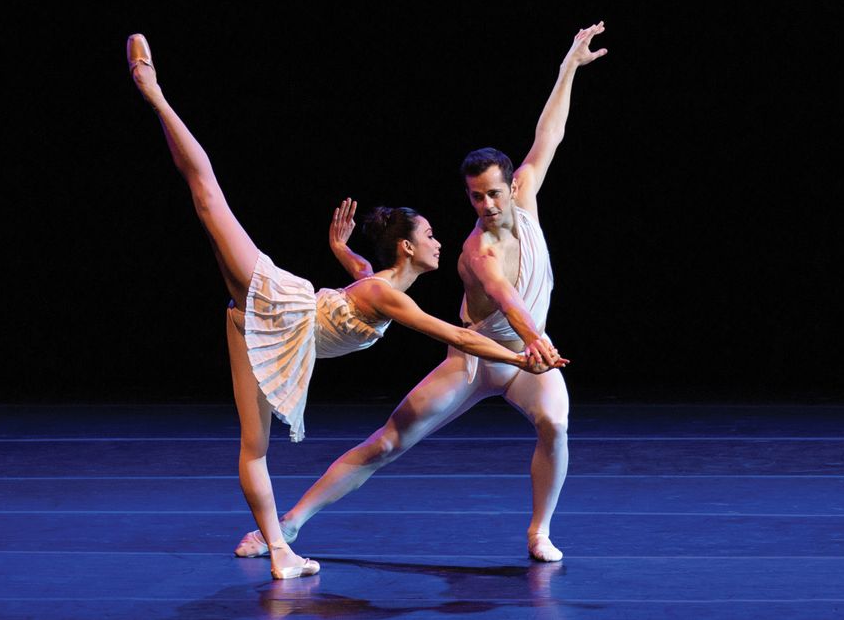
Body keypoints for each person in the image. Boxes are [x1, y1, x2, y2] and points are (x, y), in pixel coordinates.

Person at [126, 34, 563, 579]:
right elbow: (461, 332)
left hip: (251, 328)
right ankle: (154, 92)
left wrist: (341, 250)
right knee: (207, 192)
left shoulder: (380, 284)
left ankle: (281, 548)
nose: (440, 239)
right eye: (429, 234)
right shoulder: (400, 290)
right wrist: (525, 356)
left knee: (256, 448)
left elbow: (361, 285)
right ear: (407, 247)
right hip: (282, 308)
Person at [234, 22, 606, 563]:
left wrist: (568, 66)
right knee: (387, 443)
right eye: (476, 198)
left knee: (556, 423)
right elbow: (507, 299)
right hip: (475, 360)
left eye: (494, 194)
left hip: (527, 356)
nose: (487, 206)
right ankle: (289, 525)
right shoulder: (476, 252)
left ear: (512, 186)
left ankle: (539, 532)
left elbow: (550, 134)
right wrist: (534, 346)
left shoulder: (524, 196)